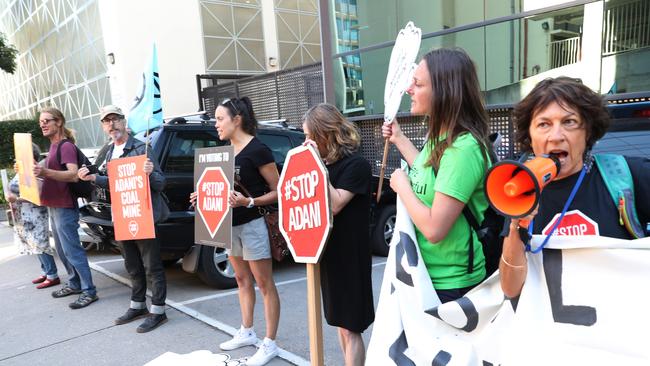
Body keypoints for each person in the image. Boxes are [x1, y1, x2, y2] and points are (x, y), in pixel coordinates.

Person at [499, 77, 650, 298]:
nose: (556, 136)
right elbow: (511, 289)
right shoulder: (521, 187)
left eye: (569, 122)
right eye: (544, 124)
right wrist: (515, 227)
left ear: (587, 131)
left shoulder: (624, 174)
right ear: (530, 137)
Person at [381, 48, 493, 303]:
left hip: (451, 284)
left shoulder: (463, 149)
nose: (409, 89)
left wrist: (402, 187)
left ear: (444, 91)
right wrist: (399, 138)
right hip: (422, 273)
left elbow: (434, 228)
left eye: (418, 83)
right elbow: (426, 170)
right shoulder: (440, 138)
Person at [191, 97, 281, 366]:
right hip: (228, 226)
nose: (216, 124)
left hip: (253, 224)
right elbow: (217, 189)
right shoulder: (222, 153)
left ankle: (270, 343)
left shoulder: (258, 150)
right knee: (241, 280)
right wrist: (201, 196)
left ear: (237, 119)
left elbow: (279, 191)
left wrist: (249, 201)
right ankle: (248, 331)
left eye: (220, 119)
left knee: (264, 284)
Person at [77, 105, 170, 332]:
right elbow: (113, 182)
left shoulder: (140, 147)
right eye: (106, 121)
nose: (111, 124)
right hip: (123, 215)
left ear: (123, 120)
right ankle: (138, 305)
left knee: (152, 266)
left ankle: (158, 311)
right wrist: (92, 178)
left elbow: (160, 183)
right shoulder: (110, 151)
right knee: (132, 265)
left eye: (115, 119)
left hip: (144, 215)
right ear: (103, 126)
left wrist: (149, 173)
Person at [301, 103, 374, 366]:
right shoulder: (323, 166)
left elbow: (334, 204)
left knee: (351, 326)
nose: (306, 141)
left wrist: (315, 166)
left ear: (326, 134)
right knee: (339, 323)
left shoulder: (357, 166)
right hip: (328, 253)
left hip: (350, 256)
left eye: (310, 135)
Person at [34, 107, 98, 309]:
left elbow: (72, 175)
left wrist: (44, 171)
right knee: (62, 250)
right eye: (41, 121)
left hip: (64, 205)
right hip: (54, 204)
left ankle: (89, 291)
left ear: (59, 122)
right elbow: (47, 172)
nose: (42, 124)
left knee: (72, 250)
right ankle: (74, 284)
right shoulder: (53, 146)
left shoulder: (66, 146)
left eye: (47, 120)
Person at [8, 143, 60, 289]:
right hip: (24, 214)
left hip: (35, 212)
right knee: (33, 243)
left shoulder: (36, 171)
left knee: (41, 243)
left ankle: (52, 275)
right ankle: (45, 271)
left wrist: (16, 199)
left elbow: (37, 195)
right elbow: (13, 187)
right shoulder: (22, 170)